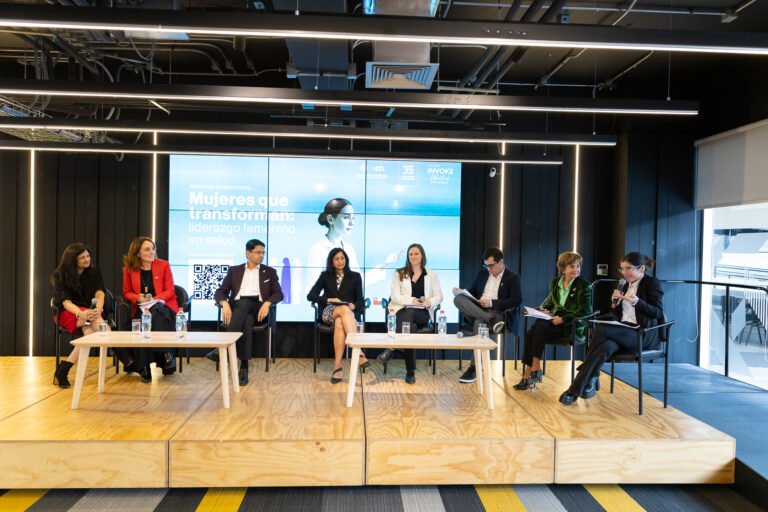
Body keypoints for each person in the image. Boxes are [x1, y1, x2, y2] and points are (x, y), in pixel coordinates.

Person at [559, 252, 664, 405]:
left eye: (628, 268)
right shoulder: (625, 285)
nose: (624, 272)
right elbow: (619, 314)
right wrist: (615, 303)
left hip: (641, 334)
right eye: (622, 269)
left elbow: (658, 312)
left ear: (641, 269)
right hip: (622, 331)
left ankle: (586, 372)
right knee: (605, 348)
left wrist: (637, 302)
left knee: (600, 328)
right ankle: (576, 390)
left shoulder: (651, 283)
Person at [51, 243, 134, 388]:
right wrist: (80, 314)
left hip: (89, 311)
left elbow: (100, 293)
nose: (87, 259)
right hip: (68, 312)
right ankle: (125, 357)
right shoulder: (59, 276)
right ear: (72, 260)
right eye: (82, 257)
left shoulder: (94, 272)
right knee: (96, 322)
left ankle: (63, 370)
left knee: (89, 332)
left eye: (88, 256)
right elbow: (65, 302)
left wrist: (99, 308)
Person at [207, 239, 284, 386]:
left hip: (258, 309)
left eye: (263, 253)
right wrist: (224, 303)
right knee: (246, 321)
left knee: (245, 303)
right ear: (248, 253)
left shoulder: (269, 272)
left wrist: (267, 303)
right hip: (238, 310)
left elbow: (279, 294)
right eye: (258, 252)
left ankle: (223, 346)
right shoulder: (234, 271)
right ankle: (244, 367)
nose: (261, 255)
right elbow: (220, 291)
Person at [514, 251, 592, 390]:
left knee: (534, 331)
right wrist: (542, 310)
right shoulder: (556, 282)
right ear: (563, 268)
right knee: (536, 328)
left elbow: (585, 311)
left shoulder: (584, 285)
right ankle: (534, 369)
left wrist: (563, 319)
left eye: (578, 266)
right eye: (571, 266)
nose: (575, 269)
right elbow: (550, 303)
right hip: (553, 323)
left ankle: (529, 373)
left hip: (571, 326)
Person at [453, 247, 522, 384]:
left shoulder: (512, 277)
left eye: (491, 265)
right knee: (458, 299)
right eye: (486, 266)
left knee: (479, 324)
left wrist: (491, 302)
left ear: (501, 262)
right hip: (479, 310)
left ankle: (474, 368)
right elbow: (473, 291)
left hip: (497, 312)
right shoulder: (483, 273)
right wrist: (462, 292)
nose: (488, 269)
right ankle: (489, 320)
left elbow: (517, 300)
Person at [377, 244, 443, 384]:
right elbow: (395, 296)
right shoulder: (399, 273)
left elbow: (439, 296)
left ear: (422, 256)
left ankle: (391, 348)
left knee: (410, 313)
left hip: (422, 313)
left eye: (416, 254)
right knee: (409, 328)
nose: (413, 256)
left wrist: (429, 302)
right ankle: (410, 372)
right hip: (402, 310)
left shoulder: (431, 274)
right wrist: (411, 300)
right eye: (410, 254)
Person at [306, 198, 400, 293]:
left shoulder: (349, 249)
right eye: (346, 217)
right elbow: (313, 288)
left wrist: (385, 264)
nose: (352, 223)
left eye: (353, 218)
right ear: (331, 219)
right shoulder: (318, 249)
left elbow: (358, 280)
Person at [307, 248, 370, 384]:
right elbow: (311, 295)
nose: (340, 261)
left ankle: (337, 368)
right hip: (329, 312)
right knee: (342, 308)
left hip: (348, 315)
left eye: (342, 258)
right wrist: (329, 300)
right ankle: (358, 351)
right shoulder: (325, 276)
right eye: (336, 259)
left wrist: (354, 306)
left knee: (340, 322)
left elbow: (360, 300)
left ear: (346, 259)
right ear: (331, 262)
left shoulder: (355, 276)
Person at [122, 236, 179, 383]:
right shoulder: (129, 269)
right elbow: (127, 292)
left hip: (164, 307)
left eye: (153, 248)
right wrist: (137, 298)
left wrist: (153, 300)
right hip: (142, 308)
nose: (151, 252)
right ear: (137, 253)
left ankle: (144, 367)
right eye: (147, 249)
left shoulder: (163, 265)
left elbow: (170, 290)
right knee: (145, 320)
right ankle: (165, 354)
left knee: (153, 314)